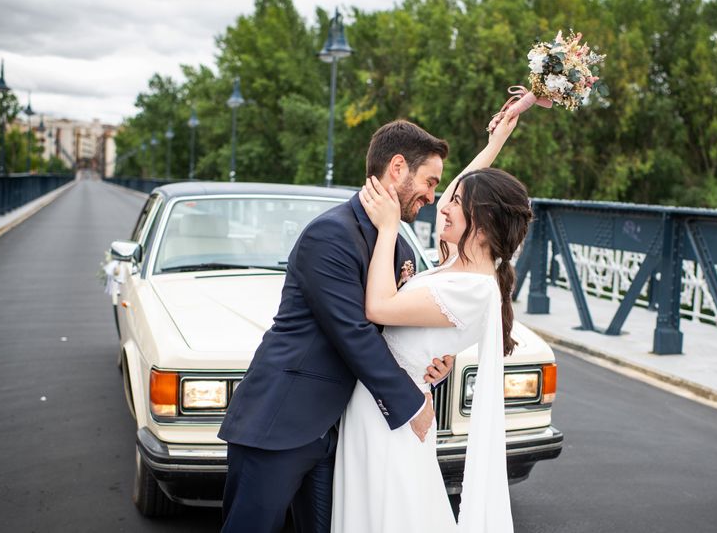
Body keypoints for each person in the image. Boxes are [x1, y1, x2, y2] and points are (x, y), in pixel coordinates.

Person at [218, 119, 455, 533]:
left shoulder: (396, 244)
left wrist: (432, 364)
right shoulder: (329, 236)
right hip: (279, 422)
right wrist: (411, 403)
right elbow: (353, 333)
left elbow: (395, 329)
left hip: (339, 434)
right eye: (430, 182)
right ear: (397, 168)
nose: (432, 197)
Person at [332, 113, 532, 533]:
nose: (443, 204)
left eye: (456, 202)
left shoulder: (474, 288)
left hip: (392, 415)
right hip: (390, 404)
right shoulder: (457, 262)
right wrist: (497, 140)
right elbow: (455, 199)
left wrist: (388, 229)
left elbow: (380, 308)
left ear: (483, 219)